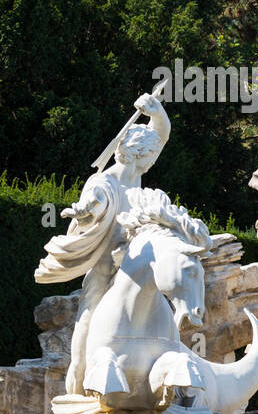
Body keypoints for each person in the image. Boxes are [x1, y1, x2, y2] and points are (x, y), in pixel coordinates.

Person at [36, 92, 210, 394]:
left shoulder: (137, 179)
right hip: (106, 269)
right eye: (151, 154)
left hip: (137, 263)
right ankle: (77, 380)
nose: (154, 158)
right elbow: (97, 201)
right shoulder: (105, 182)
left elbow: (160, 135)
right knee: (88, 320)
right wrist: (86, 210)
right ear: (138, 153)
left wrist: (157, 113)